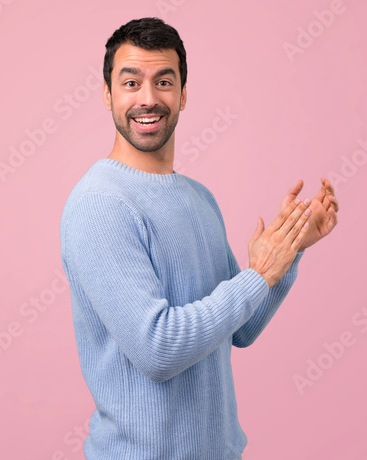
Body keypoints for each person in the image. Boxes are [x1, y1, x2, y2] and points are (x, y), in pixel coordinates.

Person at [59, 17, 338, 460]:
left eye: (163, 81)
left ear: (184, 94)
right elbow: (158, 349)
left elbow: (240, 328)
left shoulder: (198, 198)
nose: (148, 99)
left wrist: (289, 251)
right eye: (131, 82)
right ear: (108, 94)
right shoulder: (100, 204)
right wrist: (258, 273)